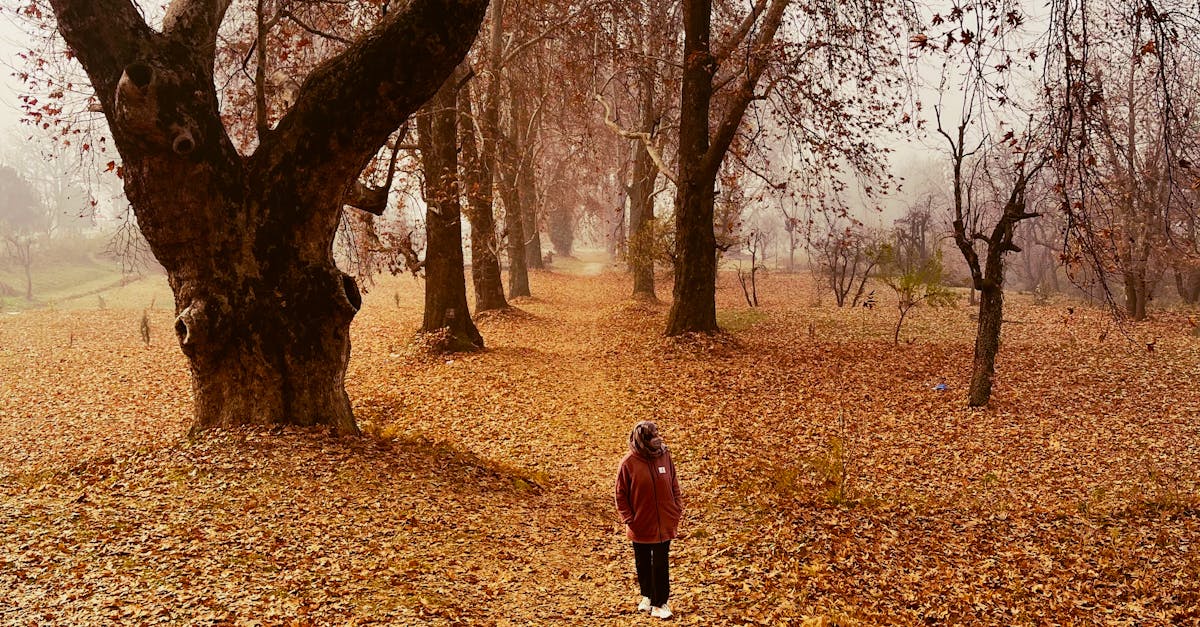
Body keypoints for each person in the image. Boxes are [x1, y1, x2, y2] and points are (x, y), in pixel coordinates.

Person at [615, 421, 683, 619]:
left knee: (660, 563)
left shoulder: (664, 455)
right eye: (652, 436)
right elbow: (620, 494)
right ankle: (646, 595)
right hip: (640, 523)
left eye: (657, 434)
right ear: (642, 439)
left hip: (665, 521)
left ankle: (660, 603)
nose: (657, 438)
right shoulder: (628, 462)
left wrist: (676, 508)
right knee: (643, 562)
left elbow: (674, 483)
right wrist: (629, 518)